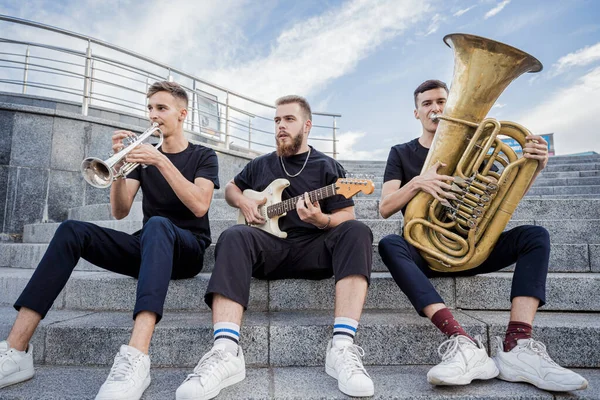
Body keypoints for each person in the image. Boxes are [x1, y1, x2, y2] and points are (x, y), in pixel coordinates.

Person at [0, 81, 220, 400]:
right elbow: (119, 212)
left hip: (187, 250)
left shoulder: (202, 155)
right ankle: (16, 351)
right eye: (149, 108)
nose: (153, 115)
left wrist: (160, 161)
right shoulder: (141, 159)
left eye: (161, 108)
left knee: (158, 224)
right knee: (71, 230)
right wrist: (119, 168)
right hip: (149, 248)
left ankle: (136, 357)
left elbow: (200, 204)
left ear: (182, 114)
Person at [378, 79, 588, 392]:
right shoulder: (402, 153)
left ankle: (518, 345)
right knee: (389, 244)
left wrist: (533, 168)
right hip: (426, 250)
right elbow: (384, 207)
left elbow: (503, 201)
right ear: (416, 113)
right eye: (427, 104)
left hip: (474, 247)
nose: (436, 109)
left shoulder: (477, 147)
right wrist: (418, 183)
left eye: (441, 102)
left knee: (535, 235)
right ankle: (461, 341)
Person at [175, 95, 374, 400]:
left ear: (307, 125)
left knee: (358, 231)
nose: (281, 126)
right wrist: (242, 201)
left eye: (289, 120)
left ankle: (342, 347)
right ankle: (226, 350)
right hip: (270, 249)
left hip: (314, 249)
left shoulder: (328, 167)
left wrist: (321, 220)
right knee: (233, 235)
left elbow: (346, 216)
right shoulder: (260, 164)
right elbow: (230, 188)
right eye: (277, 120)